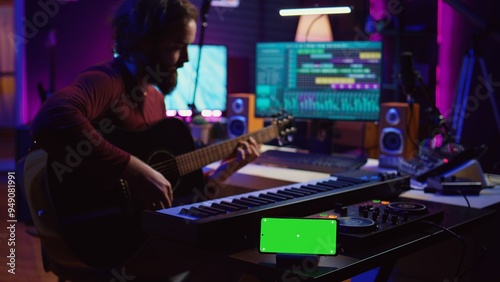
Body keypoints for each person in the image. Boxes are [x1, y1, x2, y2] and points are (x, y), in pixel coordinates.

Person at [29, 0, 260, 280]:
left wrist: (226, 171)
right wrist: (131, 169)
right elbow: (52, 117)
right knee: (228, 262)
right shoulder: (106, 81)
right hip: (104, 239)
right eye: (177, 46)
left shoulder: (156, 99)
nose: (185, 58)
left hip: (140, 236)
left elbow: (169, 192)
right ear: (143, 41)